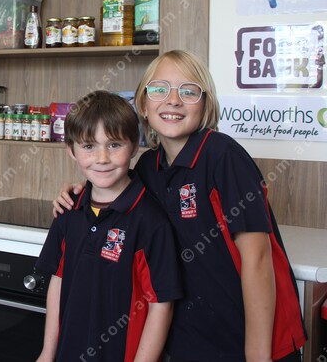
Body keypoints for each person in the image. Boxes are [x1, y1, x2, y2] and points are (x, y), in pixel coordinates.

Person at [53, 50, 306, 361]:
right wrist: (77, 191)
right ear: (143, 105)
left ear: (205, 104)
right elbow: (111, 185)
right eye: (160, 89)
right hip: (192, 341)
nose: (173, 100)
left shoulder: (223, 157)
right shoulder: (148, 167)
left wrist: (257, 354)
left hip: (252, 342)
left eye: (188, 91)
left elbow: (258, 258)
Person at [36, 90, 182, 362]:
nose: (102, 158)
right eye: (89, 146)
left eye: (114, 145)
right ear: (71, 150)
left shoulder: (151, 221)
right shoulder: (68, 210)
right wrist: (47, 352)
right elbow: (58, 281)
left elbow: (161, 304)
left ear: (134, 146)